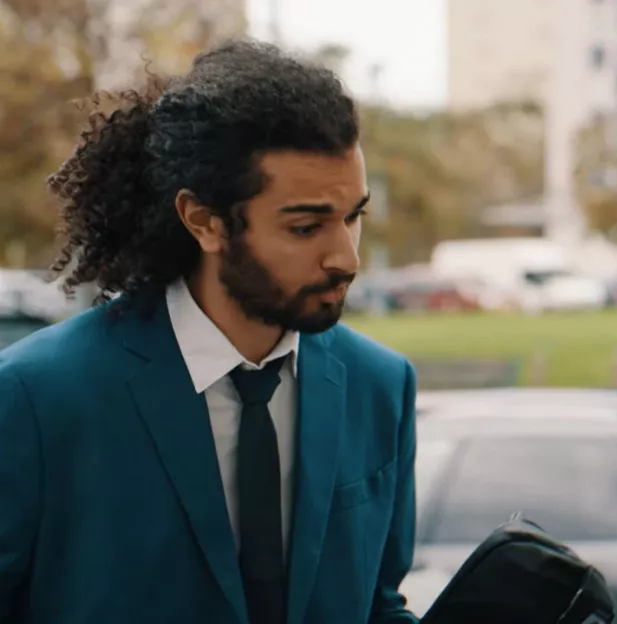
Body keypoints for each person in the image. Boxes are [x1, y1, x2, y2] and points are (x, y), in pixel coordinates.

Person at [0, 40, 418, 623]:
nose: (346, 258)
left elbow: (376, 604)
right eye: (306, 227)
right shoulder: (36, 397)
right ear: (204, 221)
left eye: (353, 218)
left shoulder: (382, 387)